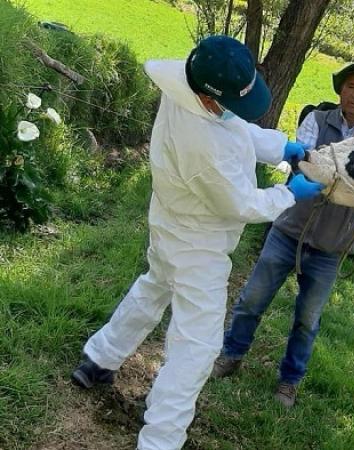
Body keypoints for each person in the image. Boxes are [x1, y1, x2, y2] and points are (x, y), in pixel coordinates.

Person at [69, 36, 324, 450]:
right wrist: (289, 193)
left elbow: (235, 125)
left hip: (169, 224)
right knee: (197, 348)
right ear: (208, 97)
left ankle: (99, 358)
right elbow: (241, 203)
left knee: (152, 288)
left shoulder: (190, 84)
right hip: (198, 248)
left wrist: (282, 147)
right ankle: (161, 440)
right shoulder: (204, 147)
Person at [212, 58, 354, 408]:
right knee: (252, 299)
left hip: (331, 247)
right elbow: (307, 162)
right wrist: (339, 177)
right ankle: (231, 354)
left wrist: (330, 174)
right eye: (351, 86)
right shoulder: (316, 118)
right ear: (341, 89)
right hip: (288, 228)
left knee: (307, 320)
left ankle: (289, 381)